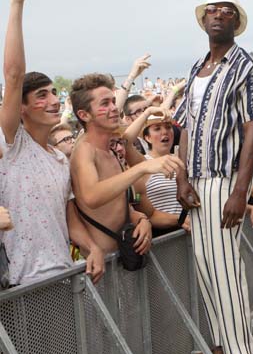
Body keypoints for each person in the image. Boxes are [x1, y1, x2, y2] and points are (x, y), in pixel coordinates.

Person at [175, 0, 253, 354]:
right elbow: (183, 126)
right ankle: (223, 340)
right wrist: (182, 176)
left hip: (224, 177)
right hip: (197, 178)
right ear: (203, 21)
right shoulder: (196, 68)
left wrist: (240, 191)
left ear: (237, 21)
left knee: (224, 264)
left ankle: (242, 352)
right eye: (212, 11)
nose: (218, 15)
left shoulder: (248, 67)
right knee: (204, 262)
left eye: (227, 11)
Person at [0, 0, 104, 285]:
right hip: (20, 282)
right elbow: (14, 75)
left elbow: (69, 216)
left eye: (53, 93)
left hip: (62, 276)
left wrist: (91, 247)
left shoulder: (60, 159)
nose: (53, 100)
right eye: (41, 95)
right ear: (21, 108)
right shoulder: (13, 145)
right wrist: (17, 2)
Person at [69, 73, 185, 258]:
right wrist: (143, 167)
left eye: (113, 102)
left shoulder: (111, 150)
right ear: (84, 114)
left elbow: (119, 206)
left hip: (125, 260)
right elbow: (91, 196)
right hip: (103, 268)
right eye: (105, 104)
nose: (114, 108)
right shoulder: (84, 150)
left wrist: (142, 220)